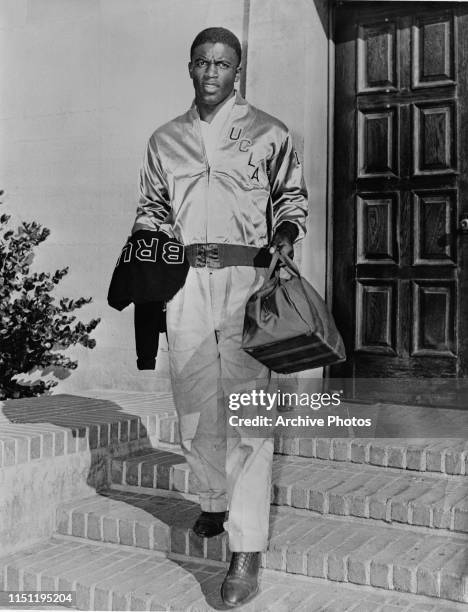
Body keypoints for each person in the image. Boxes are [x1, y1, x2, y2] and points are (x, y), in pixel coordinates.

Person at [132, 27, 308, 607]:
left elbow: (291, 199)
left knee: (247, 412)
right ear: (190, 68)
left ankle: (247, 548)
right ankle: (213, 499)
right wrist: (147, 262)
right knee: (192, 404)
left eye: (223, 63)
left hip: (246, 284)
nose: (212, 72)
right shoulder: (165, 140)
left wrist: (284, 233)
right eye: (203, 62)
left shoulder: (269, 132)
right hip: (185, 285)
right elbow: (152, 210)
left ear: (239, 69)